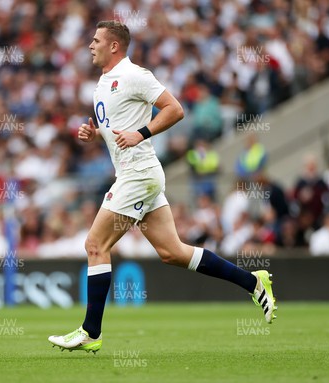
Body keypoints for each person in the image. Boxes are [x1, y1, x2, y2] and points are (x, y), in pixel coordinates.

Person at [48, 21, 277, 354]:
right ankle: (253, 282)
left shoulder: (135, 75)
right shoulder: (102, 84)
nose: (90, 46)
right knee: (173, 252)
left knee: (95, 244)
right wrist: (95, 134)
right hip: (139, 175)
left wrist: (142, 133)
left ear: (114, 46)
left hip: (138, 174)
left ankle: (90, 332)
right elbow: (117, 128)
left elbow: (175, 109)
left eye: (96, 40)